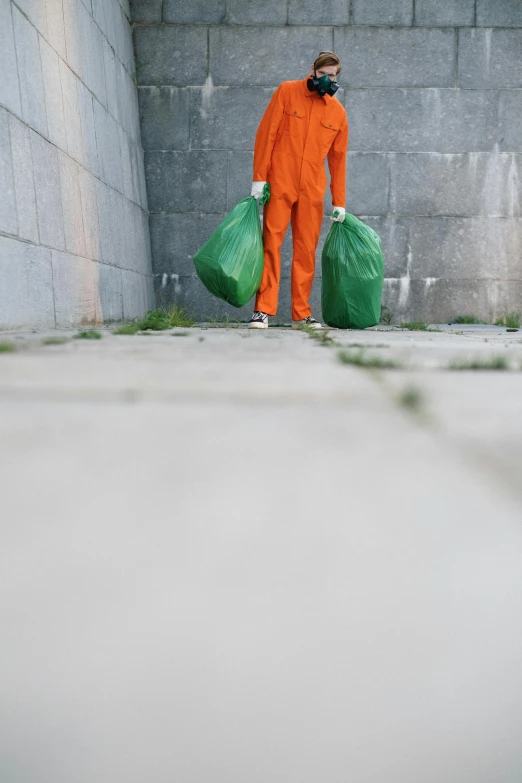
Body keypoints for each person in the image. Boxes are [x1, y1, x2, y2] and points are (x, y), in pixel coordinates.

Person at [248, 51, 349, 330]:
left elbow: (338, 160)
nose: (327, 80)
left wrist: (339, 200)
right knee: (272, 243)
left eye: (333, 76)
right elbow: (266, 133)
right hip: (281, 181)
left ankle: (301, 313)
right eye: (323, 74)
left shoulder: (337, 113)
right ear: (312, 71)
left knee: (306, 250)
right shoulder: (288, 91)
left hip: (311, 189)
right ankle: (263, 310)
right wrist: (260, 177)